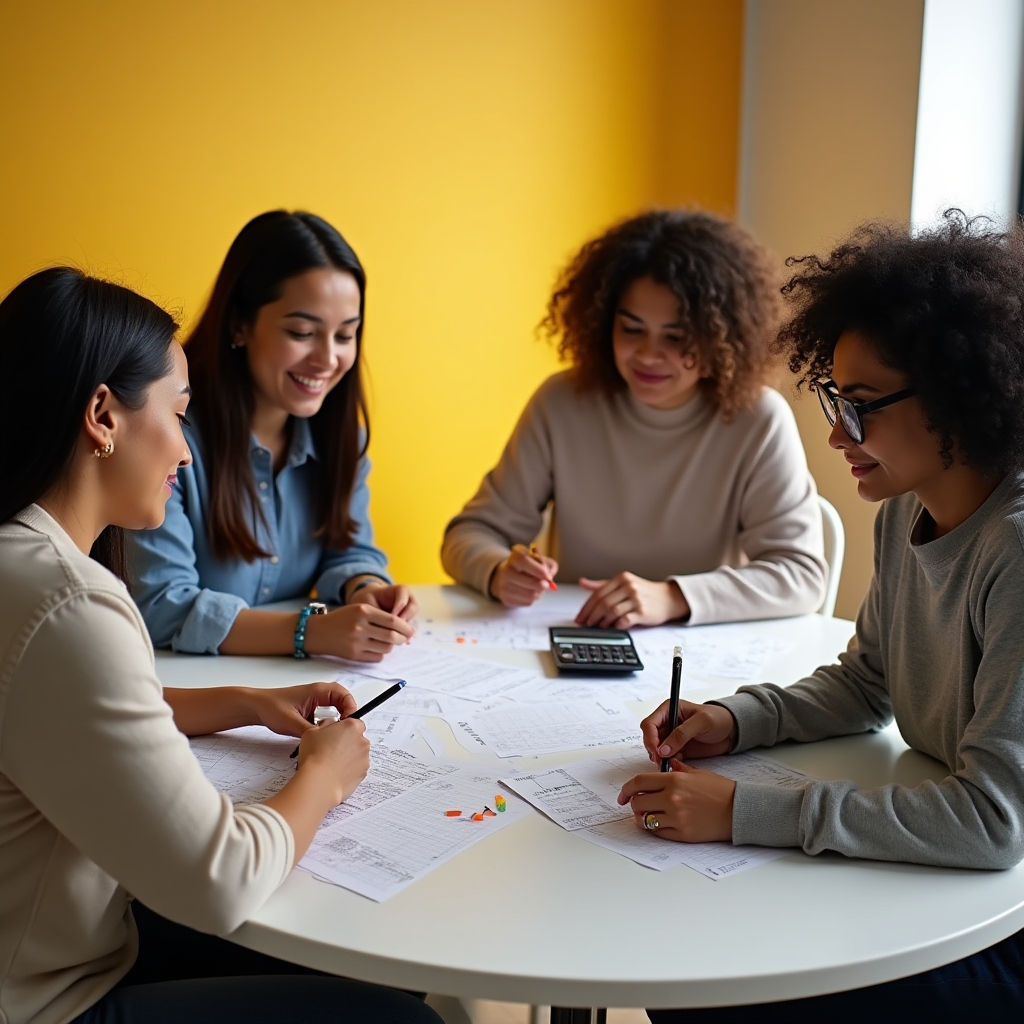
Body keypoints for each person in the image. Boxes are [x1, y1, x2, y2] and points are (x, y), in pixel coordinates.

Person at [0, 267, 441, 1024]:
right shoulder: (69, 602)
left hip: (62, 942)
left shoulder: (23, 562)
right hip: (47, 1000)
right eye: (177, 414)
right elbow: (220, 878)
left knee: (383, 961)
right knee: (410, 1019)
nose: (185, 450)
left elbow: (56, 711)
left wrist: (240, 702)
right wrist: (325, 779)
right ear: (103, 416)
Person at [618, 212, 1024, 1020]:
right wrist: (736, 723)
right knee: (687, 961)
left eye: (863, 404)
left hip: (999, 932)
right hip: (944, 894)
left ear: (956, 391)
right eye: (836, 398)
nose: (838, 433)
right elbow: (869, 680)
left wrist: (744, 810)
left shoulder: (1014, 552)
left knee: (708, 985)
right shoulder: (902, 510)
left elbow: (991, 821)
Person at [441, 210, 826, 628]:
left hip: (701, 657)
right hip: (578, 640)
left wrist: (672, 597)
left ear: (723, 340)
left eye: (675, 338)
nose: (647, 355)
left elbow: (802, 576)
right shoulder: (562, 403)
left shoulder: (759, 420)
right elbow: (468, 534)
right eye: (631, 329)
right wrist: (498, 571)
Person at [128, 211, 416, 662]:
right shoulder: (168, 438)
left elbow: (350, 550)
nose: (327, 359)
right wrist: (312, 632)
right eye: (302, 332)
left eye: (346, 335)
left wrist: (367, 588)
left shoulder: (342, 436)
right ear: (240, 323)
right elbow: (162, 605)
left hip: (293, 688)